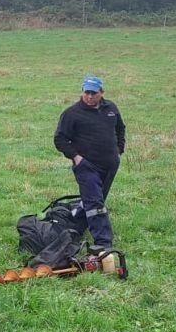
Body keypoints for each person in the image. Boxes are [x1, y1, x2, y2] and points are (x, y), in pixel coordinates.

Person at [53, 75, 126, 251]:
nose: (90, 96)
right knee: (95, 203)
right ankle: (103, 243)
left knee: (95, 200)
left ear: (102, 93)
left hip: (110, 165)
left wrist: (119, 150)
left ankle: (74, 223)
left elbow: (120, 128)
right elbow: (60, 139)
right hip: (87, 166)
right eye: (87, 92)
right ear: (82, 92)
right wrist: (76, 158)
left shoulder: (111, 108)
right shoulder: (72, 113)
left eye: (94, 93)